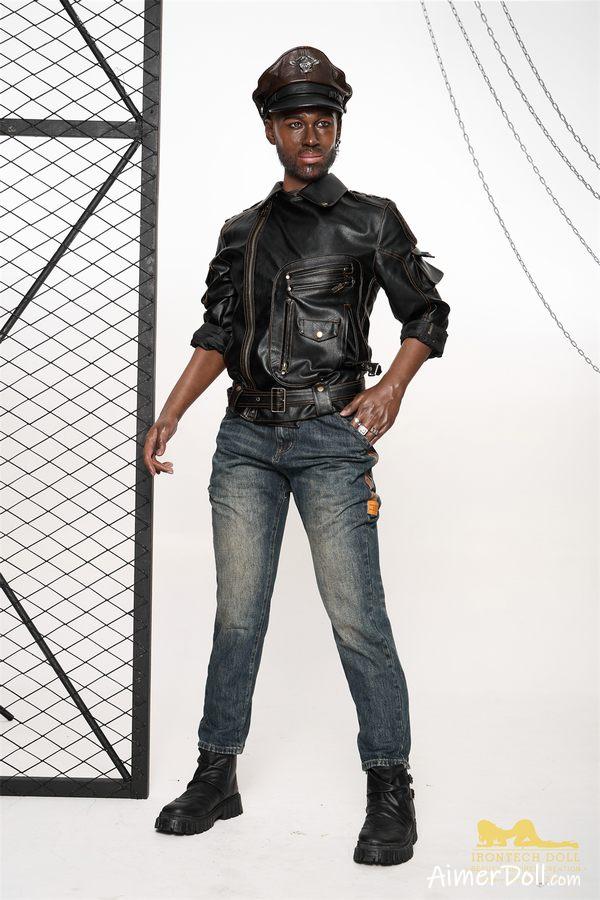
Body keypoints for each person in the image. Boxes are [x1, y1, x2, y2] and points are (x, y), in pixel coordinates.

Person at [145, 46, 450, 866]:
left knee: (357, 617)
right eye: (294, 122)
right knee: (238, 614)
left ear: (338, 127)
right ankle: (217, 774)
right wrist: (170, 413)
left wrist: (392, 389)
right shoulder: (241, 232)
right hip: (244, 440)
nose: (310, 135)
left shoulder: (371, 219)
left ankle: (390, 787)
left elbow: (426, 313)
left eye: (324, 121)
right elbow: (219, 334)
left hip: (327, 440)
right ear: (270, 131)